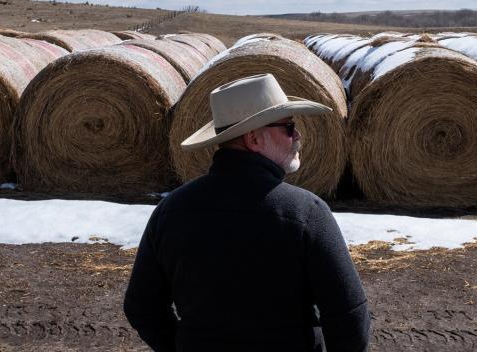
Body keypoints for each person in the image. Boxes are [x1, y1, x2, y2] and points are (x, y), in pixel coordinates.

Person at [124, 73, 370, 351]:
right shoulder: (306, 213)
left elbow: (140, 306)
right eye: (288, 127)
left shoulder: (171, 210)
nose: (298, 136)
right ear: (254, 138)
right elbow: (350, 320)